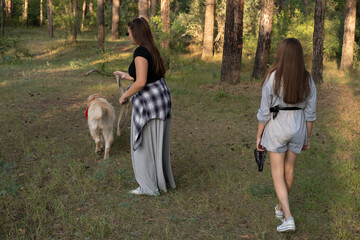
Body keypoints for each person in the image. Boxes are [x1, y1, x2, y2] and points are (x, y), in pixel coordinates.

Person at [256, 38, 316, 232]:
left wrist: (259, 136)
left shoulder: (273, 77)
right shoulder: (307, 78)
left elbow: (264, 112)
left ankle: (288, 217)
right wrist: (307, 136)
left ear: (280, 54)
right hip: (298, 127)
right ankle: (280, 207)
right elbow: (310, 113)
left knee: (277, 174)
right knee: (289, 170)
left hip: (277, 127)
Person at [113, 16, 176, 196]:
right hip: (160, 100)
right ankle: (158, 180)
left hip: (150, 104)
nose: (128, 36)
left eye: (128, 32)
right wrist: (125, 75)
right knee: (155, 144)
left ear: (136, 33)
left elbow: (141, 83)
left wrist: (124, 95)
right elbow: (147, 76)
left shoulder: (140, 52)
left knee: (143, 146)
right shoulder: (151, 48)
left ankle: (148, 186)